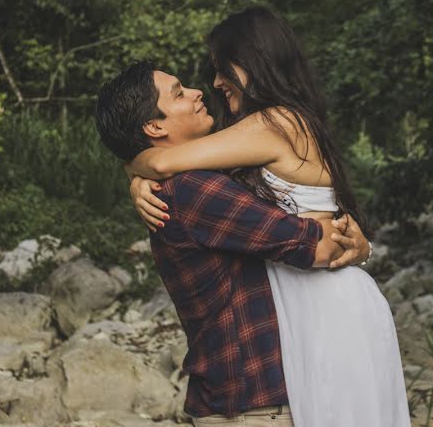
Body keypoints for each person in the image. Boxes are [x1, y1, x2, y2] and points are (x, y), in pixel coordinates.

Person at [126, 7, 412, 427]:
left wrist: (132, 174)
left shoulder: (276, 122)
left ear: (255, 62)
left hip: (327, 307)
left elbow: (164, 162)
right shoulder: (264, 127)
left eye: (223, 68)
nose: (216, 82)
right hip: (308, 301)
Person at [94, 60, 372, 426]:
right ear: (154, 126)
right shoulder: (194, 190)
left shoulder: (193, 182)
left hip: (244, 397)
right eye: (179, 93)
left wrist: (136, 171)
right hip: (252, 403)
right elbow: (317, 246)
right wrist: (355, 243)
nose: (197, 92)